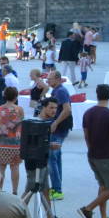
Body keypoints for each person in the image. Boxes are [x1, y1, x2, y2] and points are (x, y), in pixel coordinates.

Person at [79, 84, 109, 218]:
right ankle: (88, 209)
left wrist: (91, 150)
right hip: (107, 156)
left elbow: (86, 135)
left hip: (92, 154)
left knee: (103, 186)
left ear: (97, 94)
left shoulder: (88, 113)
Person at [46, 70, 72, 200]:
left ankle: (57, 190)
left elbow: (67, 109)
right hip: (58, 128)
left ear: (57, 79)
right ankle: (57, 187)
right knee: (56, 158)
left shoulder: (61, 91)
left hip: (59, 129)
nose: (47, 81)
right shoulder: (56, 90)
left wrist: (55, 122)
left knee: (52, 159)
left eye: (49, 79)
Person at [0, 87, 24, 194]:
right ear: (16, 97)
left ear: (4, 96)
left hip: (1, 141)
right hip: (15, 142)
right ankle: (14, 191)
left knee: (1, 167)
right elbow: (21, 124)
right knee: (14, 167)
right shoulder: (19, 109)